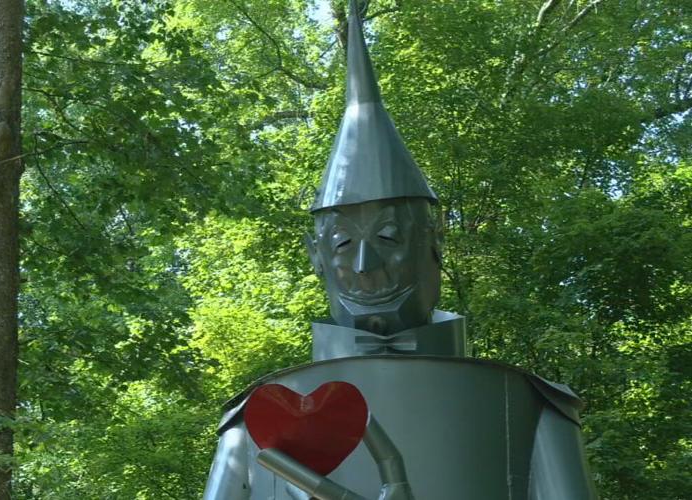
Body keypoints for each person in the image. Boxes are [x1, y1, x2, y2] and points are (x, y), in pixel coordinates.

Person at [202, 1, 597, 498]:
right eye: (344, 243)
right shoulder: (252, 417)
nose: (365, 268)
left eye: (389, 238)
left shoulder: (529, 403)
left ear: (434, 240)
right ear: (315, 256)